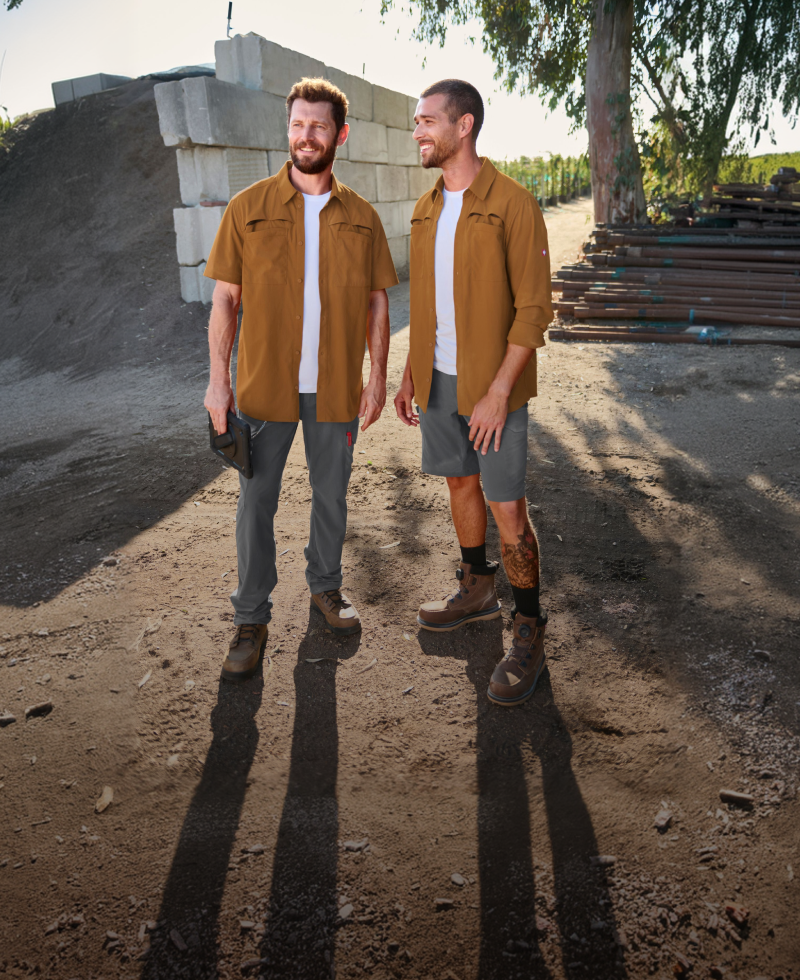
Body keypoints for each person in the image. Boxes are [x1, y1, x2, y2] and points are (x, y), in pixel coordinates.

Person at [204, 77, 398, 681]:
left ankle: (326, 587)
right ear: (287, 130)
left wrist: (376, 379)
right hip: (264, 388)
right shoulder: (248, 208)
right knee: (255, 504)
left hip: (336, 387)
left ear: (339, 135)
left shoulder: (363, 218)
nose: (305, 136)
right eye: (296, 125)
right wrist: (217, 381)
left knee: (331, 496)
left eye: (317, 126)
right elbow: (225, 300)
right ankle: (251, 617)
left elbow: (377, 305)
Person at [394, 79, 554, 706]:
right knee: (460, 484)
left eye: (427, 121)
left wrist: (498, 393)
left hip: (495, 387)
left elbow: (534, 310)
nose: (418, 132)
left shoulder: (513, 204)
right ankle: (477, 586)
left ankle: (530, 623)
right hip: (438, 380)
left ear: (464, 126)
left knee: (507, 506)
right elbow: (426, 305)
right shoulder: (424, 208)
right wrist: (410, 372)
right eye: (415, 122)